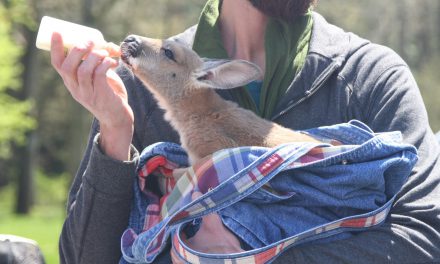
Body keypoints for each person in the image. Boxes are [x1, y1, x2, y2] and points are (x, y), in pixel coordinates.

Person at [50, 0, 440, 263]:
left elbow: (424, 238)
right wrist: (115, 135)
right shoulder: (144, 78)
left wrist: (253, 256)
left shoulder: (369, 77)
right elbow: (83, 257)